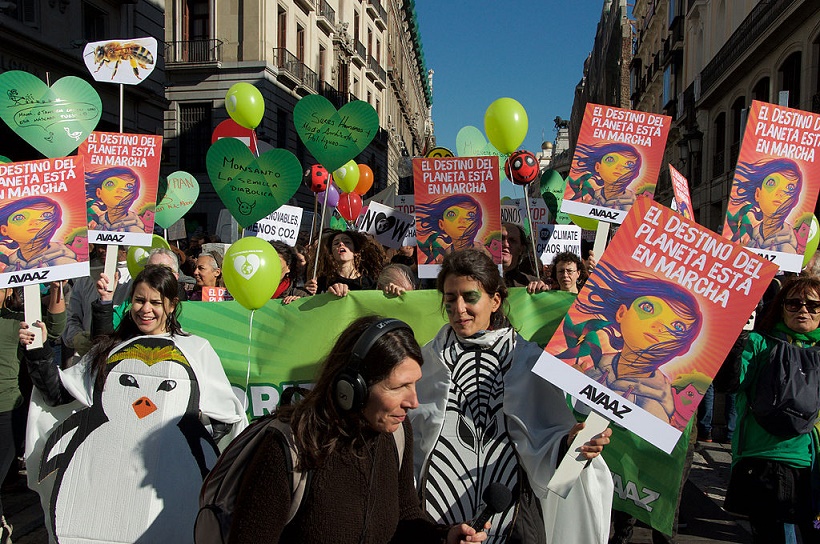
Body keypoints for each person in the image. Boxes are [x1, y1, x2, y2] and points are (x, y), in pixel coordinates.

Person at [22, 265, 246, 544]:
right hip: (106, 492)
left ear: (172, 305)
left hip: (166, 493)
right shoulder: (111, 349)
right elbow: (59, 396)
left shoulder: (196, 350)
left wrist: (185, 448)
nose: (145, 309)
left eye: (155, 302)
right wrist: (38, 350)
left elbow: (226, 418)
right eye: (139, 300)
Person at [410, 249, 613, 544]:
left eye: (469, 297)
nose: (459, 309)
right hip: (437, 513)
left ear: (495, 300)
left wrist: (569, 444)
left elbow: (545, 438)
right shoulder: (426, 360)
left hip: (512, 514)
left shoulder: (526, 359)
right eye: (450, 299)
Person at [228, 315, 488, 544]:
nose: (413, 402)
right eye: (398, 387)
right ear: (352, 389)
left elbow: (406, 515)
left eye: (415, 384)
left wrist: (442, 536)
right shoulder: (287, 446)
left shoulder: (396, 432)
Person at [726, 275, 820, 543]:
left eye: (813, 305)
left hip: (812, 468)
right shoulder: (759, 343)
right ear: (781, 307)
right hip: (765, 462)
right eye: (794, 303)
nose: (803, 310)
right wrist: (738, 337)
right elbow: (731, 383)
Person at [555, 263, 703, 427]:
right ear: (621, 313)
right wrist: (570, 382)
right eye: (648, 308)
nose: (659, 326)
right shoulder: (594, 366)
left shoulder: (656, 406)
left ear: (683, 347)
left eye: (677, 327)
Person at [0, 283, 65, 544]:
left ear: (7, 292)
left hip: (7, 409)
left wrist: (58, 289)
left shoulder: (18, 322)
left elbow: (56, 329)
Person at [724, 157, 802, 253]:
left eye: (790, 188)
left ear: (795, 201)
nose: (780, 193)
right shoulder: (751, 238)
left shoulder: (789, 247)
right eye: (771, 183)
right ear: (757, 194)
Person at [0, 196, 77, 270]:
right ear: (4, 230)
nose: (34, 222)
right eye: (19, 217)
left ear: (57, 224)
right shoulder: (9, 267)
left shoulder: (65, 263)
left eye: (46, 216)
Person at [305, 230, 385, 297]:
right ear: (331, 253)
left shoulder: (371, 283)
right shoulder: (322, 281)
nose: (341, 244)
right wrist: (307, 292)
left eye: (347, 242)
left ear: (356, 252)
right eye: (336, 243)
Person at [569, 142, 642, 211]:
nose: (619, 167)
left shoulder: (635, 204)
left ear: (635, 173)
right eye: (610, 160)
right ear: (597, 167)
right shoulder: (592, 197)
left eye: (629, 164)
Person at [416, 195, 485, 263]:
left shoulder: (483, 252)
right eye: (452, 214)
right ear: (441, 224)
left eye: (471, 215)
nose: (462, 220)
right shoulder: (444, 256)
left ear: (479, 224)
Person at [86, 167, 147, 233]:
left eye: (129, 186)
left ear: (135, 195)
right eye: (110, 184)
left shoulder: (134, 228)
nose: (120, 190)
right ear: (99, 192)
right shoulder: (98, 223)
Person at [501, 223, 549, 294]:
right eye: (501, 238)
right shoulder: (480, 280)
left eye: (512, 240)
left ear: (521, 249)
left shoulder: (530, 282)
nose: (506, 244)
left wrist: (542, 294)